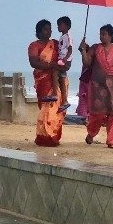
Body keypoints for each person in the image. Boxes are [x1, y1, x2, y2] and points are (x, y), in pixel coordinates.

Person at [79, 24, 113, 149]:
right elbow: (87, 63)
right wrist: (83, 51)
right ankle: (91, 133)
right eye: (100, 34)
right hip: (98, 87)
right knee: (97, 114)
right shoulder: (95, 48)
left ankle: (112, 140)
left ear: (111, 36)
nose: (101, 36)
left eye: (104, 34)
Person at [28, 19, 65, 147]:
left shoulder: (55, 43)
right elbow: (33, 62)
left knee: (55, 109)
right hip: (43, 80)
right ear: (39, 31)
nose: (49, 31)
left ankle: (53, 137)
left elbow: (64, 53)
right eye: (45, 29)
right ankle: (43, 137)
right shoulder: (34, 45)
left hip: (57, 79)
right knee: (45, 109)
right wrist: (50, 65)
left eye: (50, 29)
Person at [43, 16, 72, 113]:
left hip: (64, 61)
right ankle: (64, 101)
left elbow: (70, 49)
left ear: (67, 26)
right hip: (63, 60)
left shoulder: (67, 37)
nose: (58, 27)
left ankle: (55, 94)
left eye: (60, 25)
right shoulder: (62, 37)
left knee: (55, 73)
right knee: (62, 79)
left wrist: (65, 59)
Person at [75, 44, 90, 123]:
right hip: (84, 85)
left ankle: (86, 119)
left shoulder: (88, 60)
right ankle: (86, 119)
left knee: (86, 102)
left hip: (87, 85)